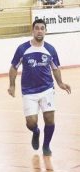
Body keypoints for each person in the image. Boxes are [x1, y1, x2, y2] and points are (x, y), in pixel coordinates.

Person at [8, 19, 71, 156]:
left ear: (46, 31)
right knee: (31, 122)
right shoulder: (22, 49)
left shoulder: (50, 49)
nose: (39, 30)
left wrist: (60, 83)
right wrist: (12, 85)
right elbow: (13, 68)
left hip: (47, 89)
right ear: (32, 31)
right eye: (37, 28)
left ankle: (46, 146)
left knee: (49, 119)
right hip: (28, 91)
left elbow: (55, 68)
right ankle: (35, 132)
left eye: (42, 28)